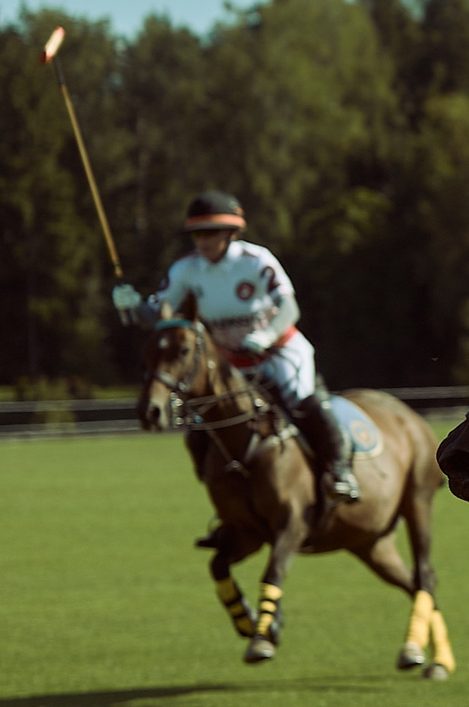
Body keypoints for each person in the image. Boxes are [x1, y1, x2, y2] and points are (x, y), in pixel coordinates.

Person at [114, 192, 362, 508]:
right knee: (202, 423)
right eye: (198, 234)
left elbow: (289, 306)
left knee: (304, 403)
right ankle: (228, 503)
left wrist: (267, 334)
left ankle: (340, 472)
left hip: (279, 352)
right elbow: (159, 314)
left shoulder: (256, 261)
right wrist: (134, 305)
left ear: (230, 233)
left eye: (211, 233)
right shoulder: (186, 270)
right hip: (229, 362)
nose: (203, 241)